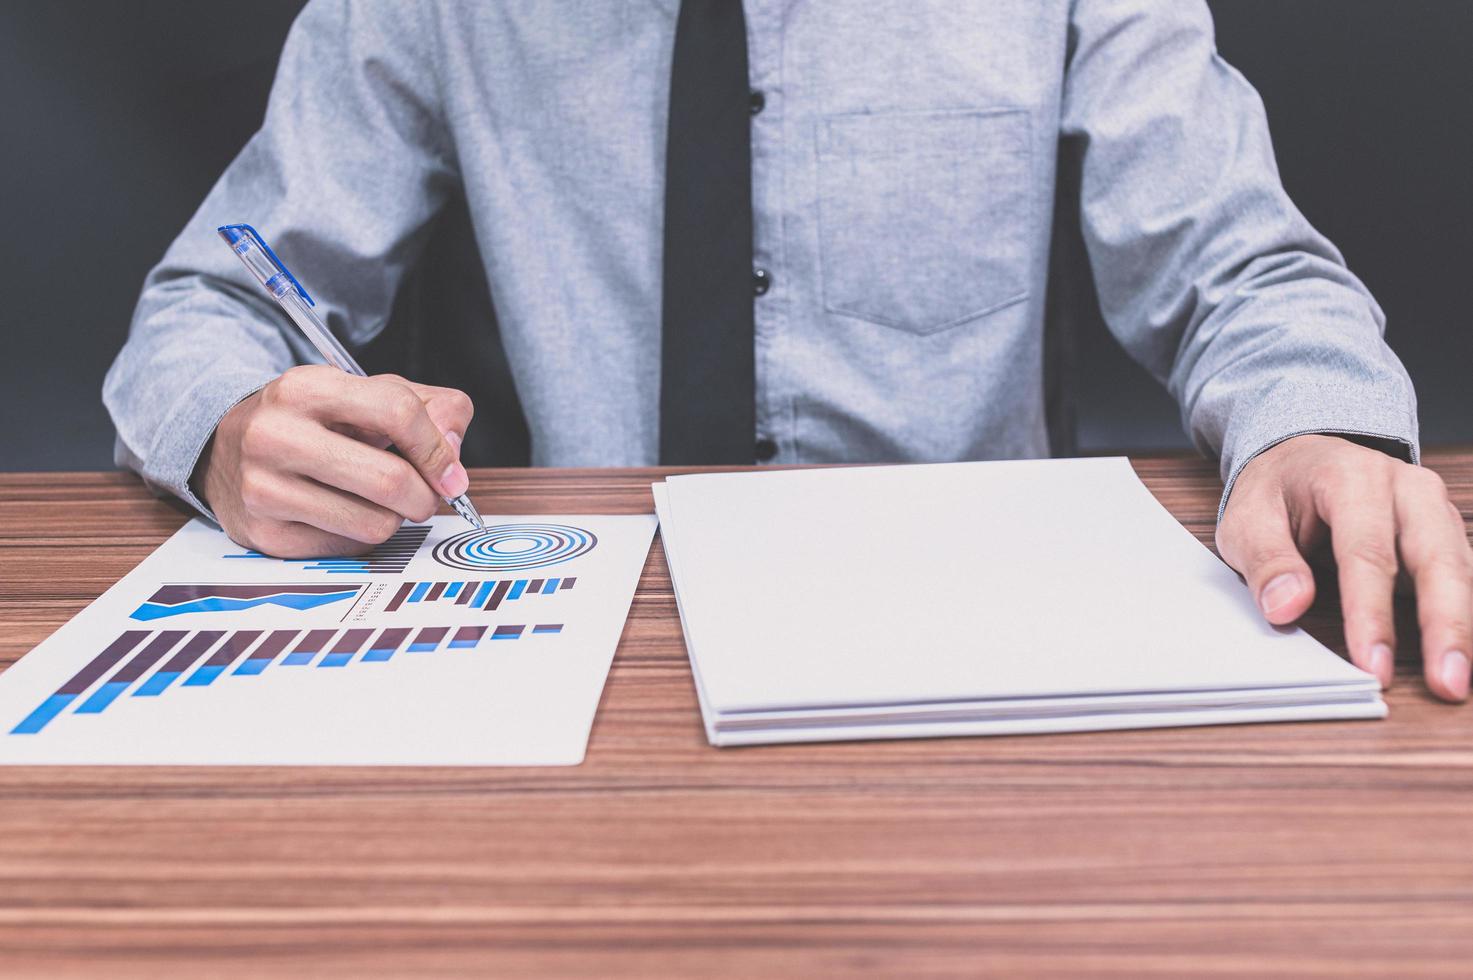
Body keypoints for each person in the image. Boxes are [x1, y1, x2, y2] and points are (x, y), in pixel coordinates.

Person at [105, 0, 1472, 703]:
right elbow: (211, 302)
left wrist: (1314, 424)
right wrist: (229, 424)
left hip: (990, 656)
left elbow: (1239, 262)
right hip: (581, 652)